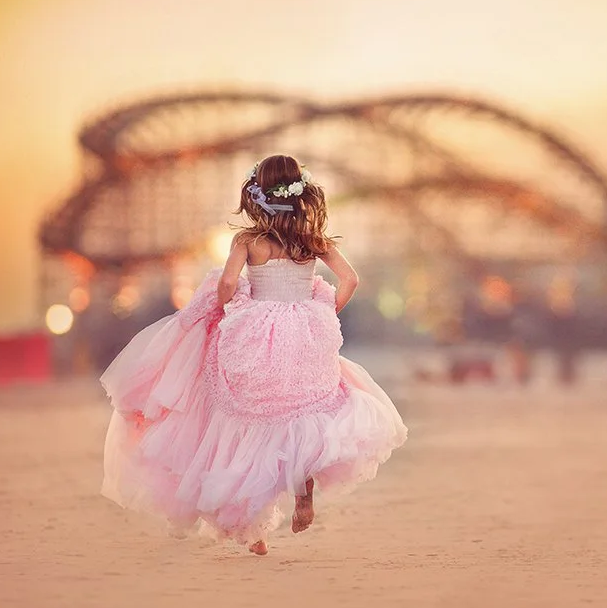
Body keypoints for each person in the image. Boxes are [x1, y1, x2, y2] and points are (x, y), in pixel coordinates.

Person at [100, 155, 407, 555]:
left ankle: (255, 532)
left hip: (255, 330)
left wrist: (227, 305)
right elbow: (350, 279)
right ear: (300, 192)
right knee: (305, 410)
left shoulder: (248, 241)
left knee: (249, 419)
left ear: (256, 193)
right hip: (305, 329)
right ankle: (304, 489)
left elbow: (228, 281)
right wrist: (325, 311)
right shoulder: (313, 241)